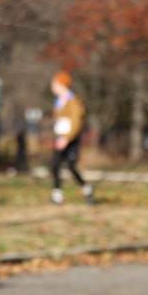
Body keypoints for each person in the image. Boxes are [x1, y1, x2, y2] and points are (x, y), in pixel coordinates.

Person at [49, 71, 94, 205]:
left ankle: (87, 189)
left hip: (71, 139)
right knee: (55, 165)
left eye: (54, 84)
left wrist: (66, 139)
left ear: (61, 85)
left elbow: (76, 122)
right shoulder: (58, 102)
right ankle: (57, 196)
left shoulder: (74, 102)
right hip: (60, 138)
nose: (52, 87)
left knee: (71, 167)